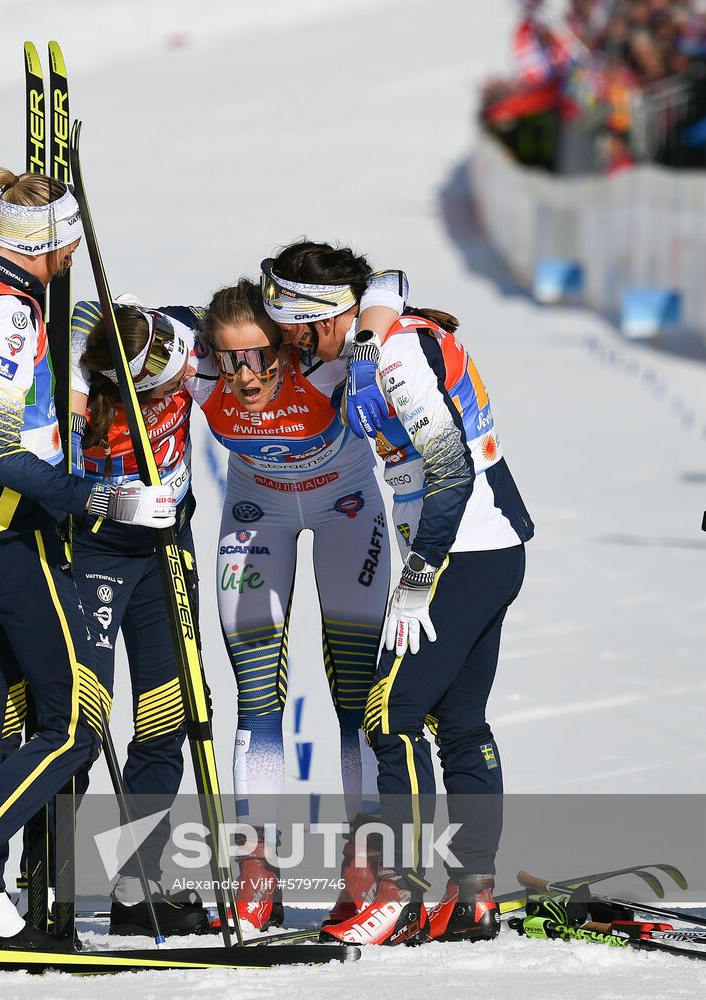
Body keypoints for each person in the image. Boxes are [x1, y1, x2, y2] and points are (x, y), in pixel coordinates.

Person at [0, 167, 178, 949]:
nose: (77, 248)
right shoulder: (11, 315)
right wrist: (101, 499)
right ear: (46, 244)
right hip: (12, 534)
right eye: (69, 237)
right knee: (74, 725)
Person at [304, 247, 534, 946]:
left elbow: (452, 471)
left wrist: (416, 579)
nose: (290, 343)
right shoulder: (375, 336)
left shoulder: (395, 358)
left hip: (460, 554)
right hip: (486, 552)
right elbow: (386, 279)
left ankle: (399, 895)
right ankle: (474, 898)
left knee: (390, 712)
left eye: (294, 326)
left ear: (325, 316)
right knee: (460, 722)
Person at [186, 264, 406, 935]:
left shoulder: (326, 366)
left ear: (286, 345)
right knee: (254, 701)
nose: (244, 376)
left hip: (347, 510)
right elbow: (97, 325)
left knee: (353, 701)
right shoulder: (199, 370)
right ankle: (256, 871)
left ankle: (362, 868)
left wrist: (366, 334)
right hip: (257, 514)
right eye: (229, 360)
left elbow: (389, 285)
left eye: (258, 355)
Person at [68, 297, 210, 936]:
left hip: (165, 552)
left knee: (166, 717)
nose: (187, 373)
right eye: (168, 375)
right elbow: (68, 320)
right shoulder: (84, 392)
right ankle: (43, 883)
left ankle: (138, 883)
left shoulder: (175, 330)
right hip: (92, 552)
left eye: (178, 357)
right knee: (78, 723)